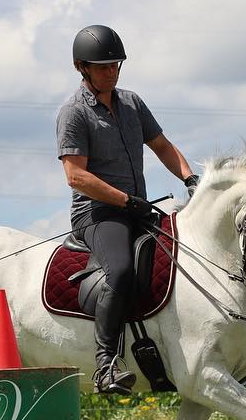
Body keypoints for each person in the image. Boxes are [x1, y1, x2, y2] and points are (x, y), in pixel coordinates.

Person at [56, 24, 198, 393]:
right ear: (81, 67)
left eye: (116, 65)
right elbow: (76, 176)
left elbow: (163, 146)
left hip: (135, 208)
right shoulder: (73, 113)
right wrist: (123, 200)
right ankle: (105, 365)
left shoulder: (133, 103)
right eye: (103, 66)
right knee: (119, 272)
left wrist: (190, 178)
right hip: (97, 213)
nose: (112, 72)